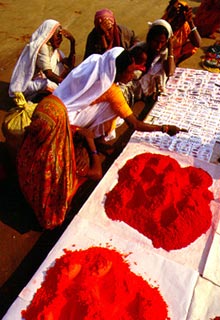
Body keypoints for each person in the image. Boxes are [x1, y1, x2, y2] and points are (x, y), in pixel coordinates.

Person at [53, 47, 184, 144]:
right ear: (117, 71)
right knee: (115, 110)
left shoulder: (95, 62)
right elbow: (135, 124)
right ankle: (92, 137)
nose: (132, 75)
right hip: (65, 121)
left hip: (54, 105)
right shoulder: (111, 90)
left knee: (118, 113)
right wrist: (164, 128)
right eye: (129, 72)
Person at [16, 95, 102, 230]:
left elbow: (76, 129)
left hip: (28, 187)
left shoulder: (33, 133)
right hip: (47, 206)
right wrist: (92, 149)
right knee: (84, 164)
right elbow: (97, 173)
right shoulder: (57, 162)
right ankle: (63, 209)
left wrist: (80, 135)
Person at [9, 19, 76, 103]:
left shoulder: (54, 50)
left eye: (61, 36)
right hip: (27, 86)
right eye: (58, 36)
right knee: (48, 84)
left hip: (40, 80)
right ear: (49, 35)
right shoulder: (42, 48)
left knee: (66, 68)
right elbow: (48, 74)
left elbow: (70, 64)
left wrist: (72, 42)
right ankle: (36, 99)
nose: (61, 39)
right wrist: (65, 84)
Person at [139, 19, 176, 98]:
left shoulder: (166, 54)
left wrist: (170, 48)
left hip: (155, 90)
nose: (159, 46)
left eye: (162, 42)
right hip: (139, 90)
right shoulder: (140, 48)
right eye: (156, 41)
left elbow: (169, 72)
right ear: (150, 39)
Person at [162, 0, 201, 65]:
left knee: (193, 46)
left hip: (174, 54)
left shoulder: (184, 25)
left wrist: (191, 22)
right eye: (176, 18)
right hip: (162, 55)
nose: (179, 22)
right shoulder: (163, 24)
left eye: (182, 19)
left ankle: (176, 63)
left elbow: (198, 43)